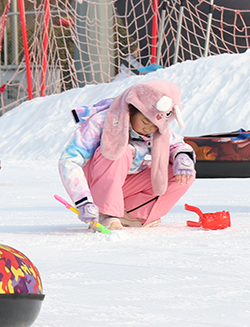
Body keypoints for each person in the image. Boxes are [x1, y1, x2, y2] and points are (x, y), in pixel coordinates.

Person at [58, 79, 195, 231]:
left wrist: (181, 157)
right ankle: (107, 212)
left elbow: (176, 143)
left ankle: (131, 214)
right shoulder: (103, 121)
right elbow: (69, 160)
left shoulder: (156, 130)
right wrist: (83, 200)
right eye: (145, 121)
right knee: (120, 150)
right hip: (98, 182)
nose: (149, 128)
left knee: (183, 175)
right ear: (133, 110)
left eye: (154, 126)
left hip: (125, 183)